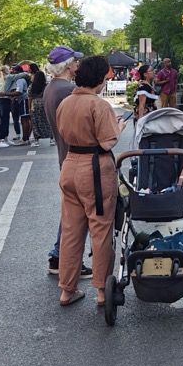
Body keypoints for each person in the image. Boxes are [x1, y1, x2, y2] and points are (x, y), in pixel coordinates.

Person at [53, 55, 123, 307]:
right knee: (101, 229)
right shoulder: (99, 105)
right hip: (94, 168)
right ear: (98, 79)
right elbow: (107, 141)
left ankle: (66, 289)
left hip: (70, 164)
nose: (105, 83)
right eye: (104, 78)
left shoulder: (65, 103)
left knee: (71, 232)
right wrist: (119, 127)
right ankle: (102, 290)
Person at [41, 46, 90, 279]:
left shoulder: (51, 88)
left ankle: (59, 256)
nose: (78, 65)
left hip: (65, 156)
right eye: (76, 62)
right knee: (78, 216)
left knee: (73, 212)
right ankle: (65, 260)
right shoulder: (68, 90)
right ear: (69, 65)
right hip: (77, 156)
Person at [6, 65, 29, 143]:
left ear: (17, 71)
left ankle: (25, 138)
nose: (11, 71)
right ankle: (22, 136)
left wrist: (6, 94)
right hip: (18, 100)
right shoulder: (15, 80)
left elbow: (19, 91)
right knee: (19, 119)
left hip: (22, 100)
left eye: (13, 70)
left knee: (24, 119)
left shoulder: (20, 80)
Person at [28, 63, 49, 145]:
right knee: (46, 120)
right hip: (43, 102)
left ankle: (37, 139)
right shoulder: (46, 86)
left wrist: (29, 108)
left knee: (35, 121)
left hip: (35, 103)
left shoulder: (31, 86)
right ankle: (51, 137)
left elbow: (29, 97)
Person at [0, 67, 13, 144]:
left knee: (3, 119)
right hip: (6, 99)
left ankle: (3, 138)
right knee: (5, 120)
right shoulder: (8, 79)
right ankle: (1, 139)